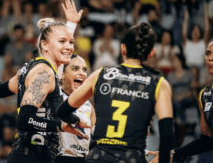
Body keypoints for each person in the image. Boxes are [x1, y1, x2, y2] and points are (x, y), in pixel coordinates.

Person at [0, 0, 90, 163]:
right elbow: (25, 119)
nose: (69, 47)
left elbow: (0, 90)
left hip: (34, 155)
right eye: (62, 42)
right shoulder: (44, 73)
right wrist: (62, 126)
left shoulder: (31, 68)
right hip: (32, 156)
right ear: (45, 45)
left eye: (71, 42)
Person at [56, 22, 174, 163]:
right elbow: (167, 135)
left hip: (97, 158)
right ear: (151, 53)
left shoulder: (101, 74)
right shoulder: (159, 84)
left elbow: (62, 111)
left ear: (123, 49)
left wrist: (77, 121)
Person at [148, 41, 213, 162]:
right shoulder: (204, 95)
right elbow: (206, 141)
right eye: (208, 53)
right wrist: (169, 155)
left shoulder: (189, 76)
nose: (210, 58)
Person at [56, 54, 96, 163]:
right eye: (75, 68)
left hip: (84, 159)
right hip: (60, 158)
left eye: (84, 70)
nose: (82, 73)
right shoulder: (53, 97)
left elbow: (97, 137)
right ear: (62, 74)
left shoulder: (88, 105)